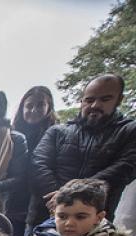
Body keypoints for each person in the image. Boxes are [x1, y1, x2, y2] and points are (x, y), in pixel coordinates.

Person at [32, 74, 136, 223]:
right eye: (90, 100)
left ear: (119, 100)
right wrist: (60, 202)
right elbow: (38, 164)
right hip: (45, 214)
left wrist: (71, 194)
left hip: (93, 221)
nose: (95, 105)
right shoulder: (58, 131)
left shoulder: (129, 131)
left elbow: (125, 168)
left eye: (105, 99)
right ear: (82, 101)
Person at [12, 86, 59, 236]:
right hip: (13, 200)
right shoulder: (11, 135)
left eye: (40, 105)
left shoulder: (56, 135)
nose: (34, 110)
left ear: (49, 107)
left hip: (40, 201)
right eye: (29, 105)